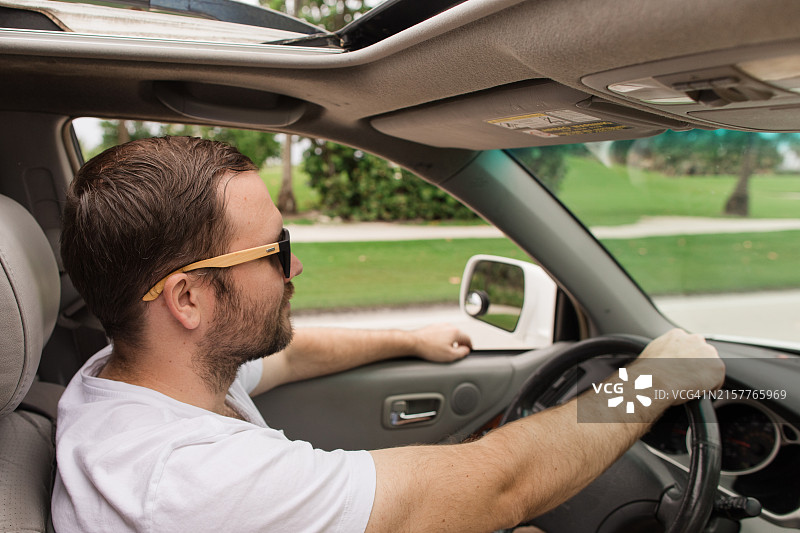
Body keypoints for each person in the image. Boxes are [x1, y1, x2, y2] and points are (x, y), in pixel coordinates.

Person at [54, 136, 725, 532]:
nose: (297, 267)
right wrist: (654, 381)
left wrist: (411, 336)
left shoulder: (130, 374)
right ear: (190, 297)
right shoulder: (194, 479)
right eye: (274, 251)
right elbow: (502, 483)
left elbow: (292, 354)